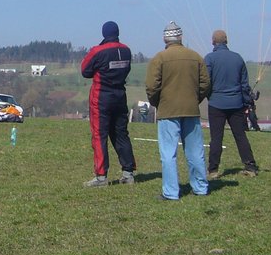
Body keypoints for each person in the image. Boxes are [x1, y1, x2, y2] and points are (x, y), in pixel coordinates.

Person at [145, 21, 210, 200]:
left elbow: (151, 86)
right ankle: (200, 187)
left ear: (165, 39)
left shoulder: (159, 58)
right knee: (195, 151)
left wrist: (158, 103)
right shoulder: (196, 57)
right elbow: (205, 83)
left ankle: (171, 191)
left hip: (168, 110)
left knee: (168, 153)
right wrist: (195, 99)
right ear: (180, 37)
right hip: (191, 109)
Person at [80, 21, 136, 187]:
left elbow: (85, 70)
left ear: (104, 34)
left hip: (101, 97)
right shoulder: (126, 50)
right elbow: (127, 69)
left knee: (99, 135)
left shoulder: (97, 51)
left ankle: (101, 176)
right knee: (121, 134)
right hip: (120, 95)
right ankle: (128, 173)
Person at [204, 30, 259, 179]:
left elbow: (206, 82)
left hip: (216, 103)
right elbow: (244, 84)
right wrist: (247, 102)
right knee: (240, 136)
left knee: (216, 138)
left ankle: (213, 169)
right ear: (226, 41)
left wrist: (209, 96)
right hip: (236, 103)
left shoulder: (209, 59)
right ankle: (250, 166)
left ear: (213, 41)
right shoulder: (238, 58)